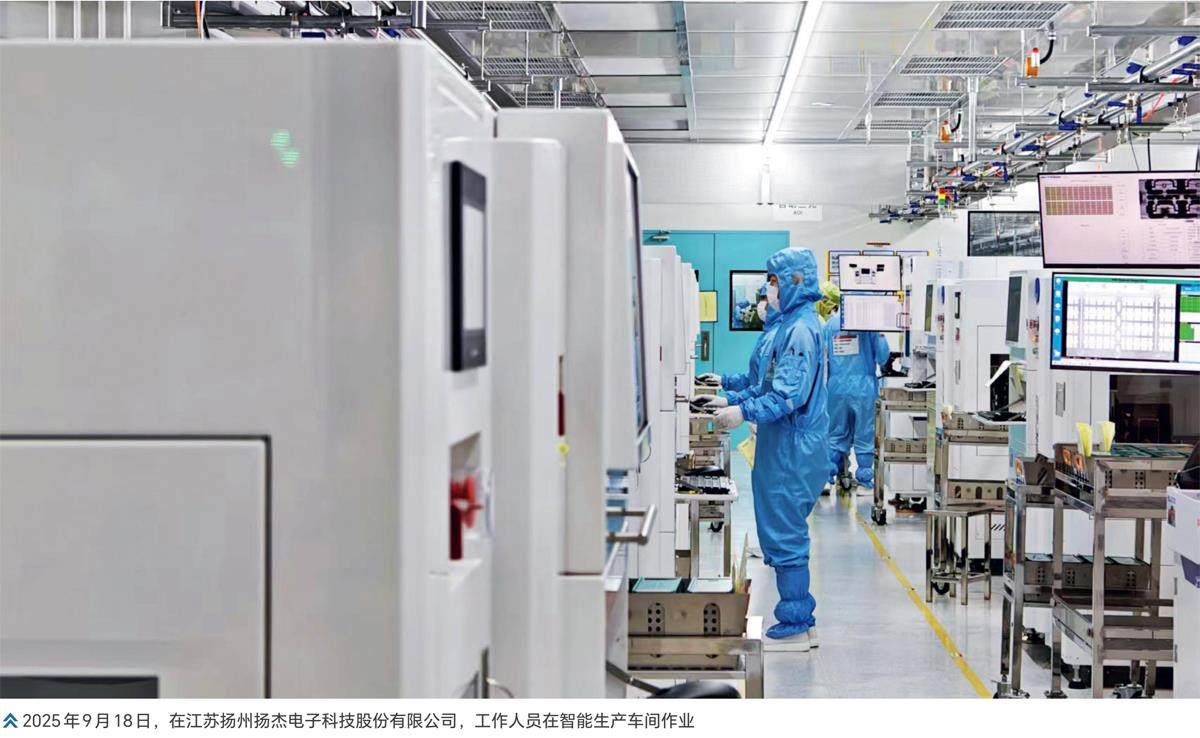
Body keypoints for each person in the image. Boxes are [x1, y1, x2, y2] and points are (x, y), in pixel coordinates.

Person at [709, 247, 828, 651]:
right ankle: (796, 616)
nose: (768, 289)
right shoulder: (790, 325)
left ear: (795, 281)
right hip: (783, 443)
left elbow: (786, 395)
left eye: (774, 281)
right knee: (779, 530)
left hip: (793, 447)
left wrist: (741, 411)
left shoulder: (800, 331)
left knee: (787, 534)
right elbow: (763, 384)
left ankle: (797, 623)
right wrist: (728, 395)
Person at [823, 309, 890, 490]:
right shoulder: (869, 325)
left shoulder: (830, 325)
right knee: (864, 435)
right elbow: (883, 357)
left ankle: (825, 479)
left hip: (836, 388)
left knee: (835, 435)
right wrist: (880, 332)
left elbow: (822, 359)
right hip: (863, 389)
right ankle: (864, 482)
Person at [696, 286, 778, 410]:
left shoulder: (775, 337)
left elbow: (765, 388)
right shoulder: (768, 335)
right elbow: (753, 378)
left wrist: (730, 401)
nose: (762, 304)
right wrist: (724, 381)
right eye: (761, 298)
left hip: (767, 412)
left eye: (766, 299)